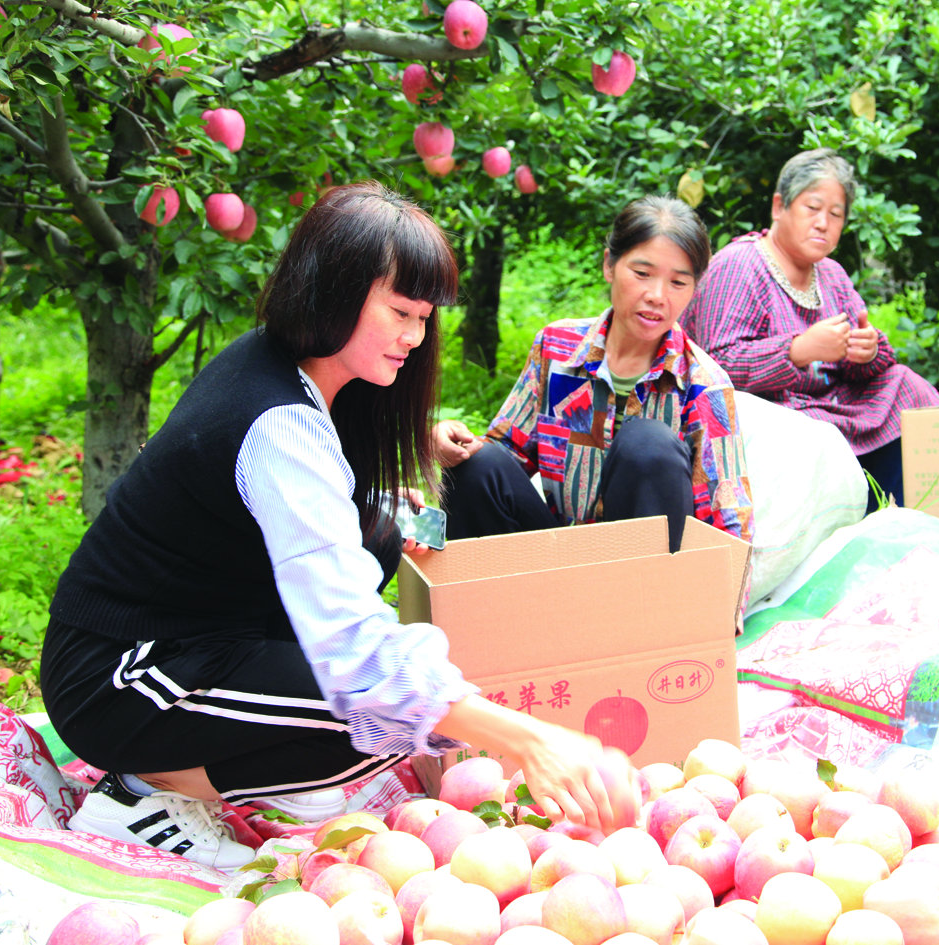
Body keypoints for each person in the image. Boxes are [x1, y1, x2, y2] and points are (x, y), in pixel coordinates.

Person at [41, 182, 632, 873]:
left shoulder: (296, 371)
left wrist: (415, 526)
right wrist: (526, 737)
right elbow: (353, 651)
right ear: (334, 290)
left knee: (384, 554)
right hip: (121, 675)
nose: (414, 337)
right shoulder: (276, 422)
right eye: (400, 312)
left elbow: (358, 522)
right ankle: (142, 789)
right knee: (373, 720)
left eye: (423, 317)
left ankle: (184, 764)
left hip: (198, 633)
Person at [434, 195, 754, 558]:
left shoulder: (704, 385)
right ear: (609, 266)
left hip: (643, 582)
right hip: (556, 559)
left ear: (694, 288)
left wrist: (723, 609)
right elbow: (505, 454)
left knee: (648, 444)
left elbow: (730, 520)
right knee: (477, 465)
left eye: (678, 283)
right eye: (642, 273)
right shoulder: (556, 348)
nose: (656, 295)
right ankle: (476, 605)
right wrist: (456, 444)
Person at [678, 148, 939, 512]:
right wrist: (799, 350)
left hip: (833, 407)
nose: (823, 223)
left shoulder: (831, 274)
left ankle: (930, 508)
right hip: (778, 416)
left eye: (836, 215)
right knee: (815, 434)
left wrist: (866, 351)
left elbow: (865, 364)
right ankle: (864, 512)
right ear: (779, 207)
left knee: (904, 383)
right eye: (812, 208)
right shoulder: (740, 265)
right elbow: (715, 364)